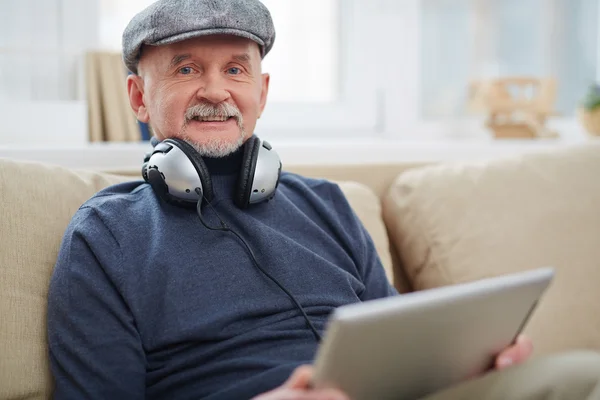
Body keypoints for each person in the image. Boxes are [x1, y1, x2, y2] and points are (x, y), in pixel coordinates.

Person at [47, 0, 600, 399]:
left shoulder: (327, 205)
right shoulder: (104, 236)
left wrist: (469, 367)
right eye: (187, 68)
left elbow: (401, 350)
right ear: (139, 97)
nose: (216, 91)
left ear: (261, 93)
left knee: (580, 376)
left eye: (236, 69)